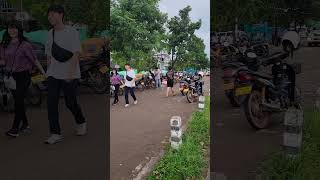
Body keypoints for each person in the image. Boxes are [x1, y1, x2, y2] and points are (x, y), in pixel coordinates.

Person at [44, 4, 86, 144]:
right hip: (53, 75)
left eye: (53, 14)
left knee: (70, 102)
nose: (50, 17)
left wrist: (70, 73)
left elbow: (76, 54)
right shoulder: (49, 33)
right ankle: (55, 133)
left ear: (61, 14)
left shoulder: (71, 32)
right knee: (51, 103)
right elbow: (49, 55)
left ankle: (80, 121)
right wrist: (47, 72)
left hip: (70, 74)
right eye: (49, 15)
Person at [0, 21, 46, 137]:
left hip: (24, 76)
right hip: (11, 77)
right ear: (7, 30)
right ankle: (25, 124)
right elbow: (3, 61)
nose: (12, 30)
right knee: (18, 101)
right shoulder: (4, 44)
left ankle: (15, 129)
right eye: (10, 28)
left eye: (15, 28)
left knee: (18, 101)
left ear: (19, 30)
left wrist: (44, 73)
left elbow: (34, 60)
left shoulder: (25, 44)